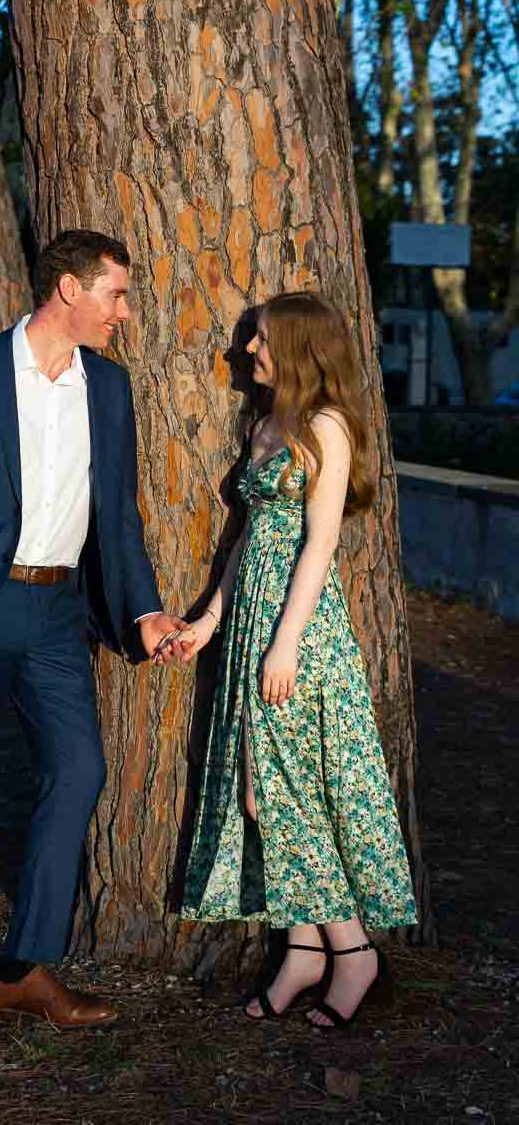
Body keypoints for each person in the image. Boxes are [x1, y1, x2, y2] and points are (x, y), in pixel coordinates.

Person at [0, 230, 185, 1027]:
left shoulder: (110, 388)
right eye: (114, 294)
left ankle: (23, 966)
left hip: (60, 616)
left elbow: (117, 516)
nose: (123, 312)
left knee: (79, 771)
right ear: (67, 289)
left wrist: (144, 607)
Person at [178, 291, 417, 1030]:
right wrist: (211, 619)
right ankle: (306, 950)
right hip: (253, 620)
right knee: (261, 794)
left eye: (262, 341)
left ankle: (351, 952)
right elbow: (248, 537)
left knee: (289, 793)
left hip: (301, 632)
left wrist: (284, 642)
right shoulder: (268, 426)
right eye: (251, 340)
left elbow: (318, 544)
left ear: (302, 347)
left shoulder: (327, 428)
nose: (249, 351)